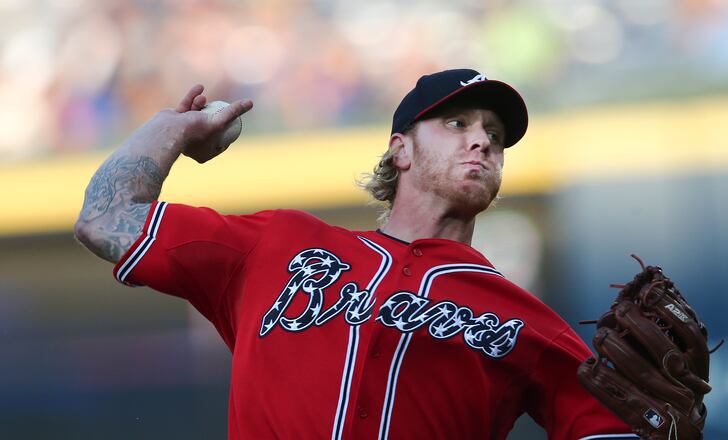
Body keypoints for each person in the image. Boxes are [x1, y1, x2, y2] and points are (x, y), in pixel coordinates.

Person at [75, 69, 638, 439]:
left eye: (495, 134)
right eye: (457, 123)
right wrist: (171, 129)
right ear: (401, 151)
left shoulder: (521, 317)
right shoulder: (280, 244)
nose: (483, 140)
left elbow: (612, 428)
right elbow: (105, 220)